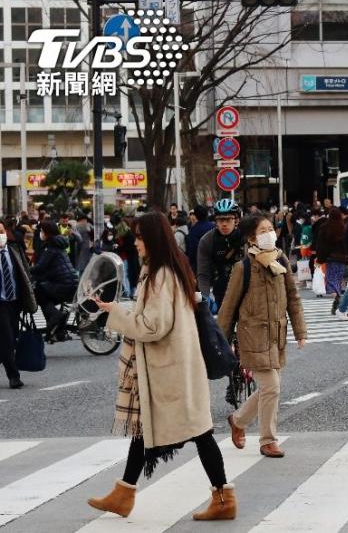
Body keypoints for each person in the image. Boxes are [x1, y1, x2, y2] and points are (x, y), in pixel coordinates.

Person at [88, 212, 235, 521]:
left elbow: (154, 326)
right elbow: (154, 315)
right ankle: (124, 493)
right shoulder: (170, 267)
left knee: (198, 432)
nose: (136, 243)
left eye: (140, 237)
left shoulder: (160, 275)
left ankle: (222, 498)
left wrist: (116, 313)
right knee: (155, 431)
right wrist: (119, 309)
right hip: (175, 365)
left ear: (153, 239)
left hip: (168, 369)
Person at [218, 214, 308, 459]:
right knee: (272, 386)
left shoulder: (280, 260)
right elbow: (228, 307)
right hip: (252, 337)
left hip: (276, 336)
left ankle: (237, 421)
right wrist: (221, 342)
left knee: (269, 388)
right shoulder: (243, 267)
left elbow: (293, 297)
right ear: (251, 237)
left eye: (271, 228)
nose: (270, 233)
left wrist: (300, 331)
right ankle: (268, 440)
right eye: (263, 230)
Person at [0, 220, 37, 389]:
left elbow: (25, 273)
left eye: (1, 231)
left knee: (13, 337)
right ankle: (13, 376)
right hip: (1, 303)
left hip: (15, 301)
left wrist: (29, 297)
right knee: (6, 338)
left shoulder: (14, 249)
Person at [30, 221, 79, 341]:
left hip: (64, 284)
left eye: (41, 231)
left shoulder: (51, 247)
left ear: (46, 233)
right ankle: (57, 331)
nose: (40, 233)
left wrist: (26, 269)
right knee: (45, 295)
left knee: (39, 293)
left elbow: (40, 267)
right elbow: (51, 269)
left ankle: (56, 317)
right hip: (71, 282)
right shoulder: (59, 244)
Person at [197, 199, 244, 308]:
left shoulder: (246, 237)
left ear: (236, 220)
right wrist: (204, 297)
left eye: (228, 219)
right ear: (215, 221)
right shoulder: (207, 240)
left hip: (246, 292)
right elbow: (203, 274)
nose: (224, 224)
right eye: (220, 220)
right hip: (221, 292)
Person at [314, 207, 348, 314]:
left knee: (330, 281)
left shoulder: (324, 228)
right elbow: (347, 244)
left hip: (331, 259)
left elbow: (321, 246)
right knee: (338, 280)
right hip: (342, 259)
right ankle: (337, 303)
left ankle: (338, 299)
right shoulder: (343, 228)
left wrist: (320, 259)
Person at [186, 205, 214, 272]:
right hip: (214, 262)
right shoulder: (213, 226)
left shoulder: (194, 230)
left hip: (200, 264)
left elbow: (192, 249)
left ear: (196, 216)